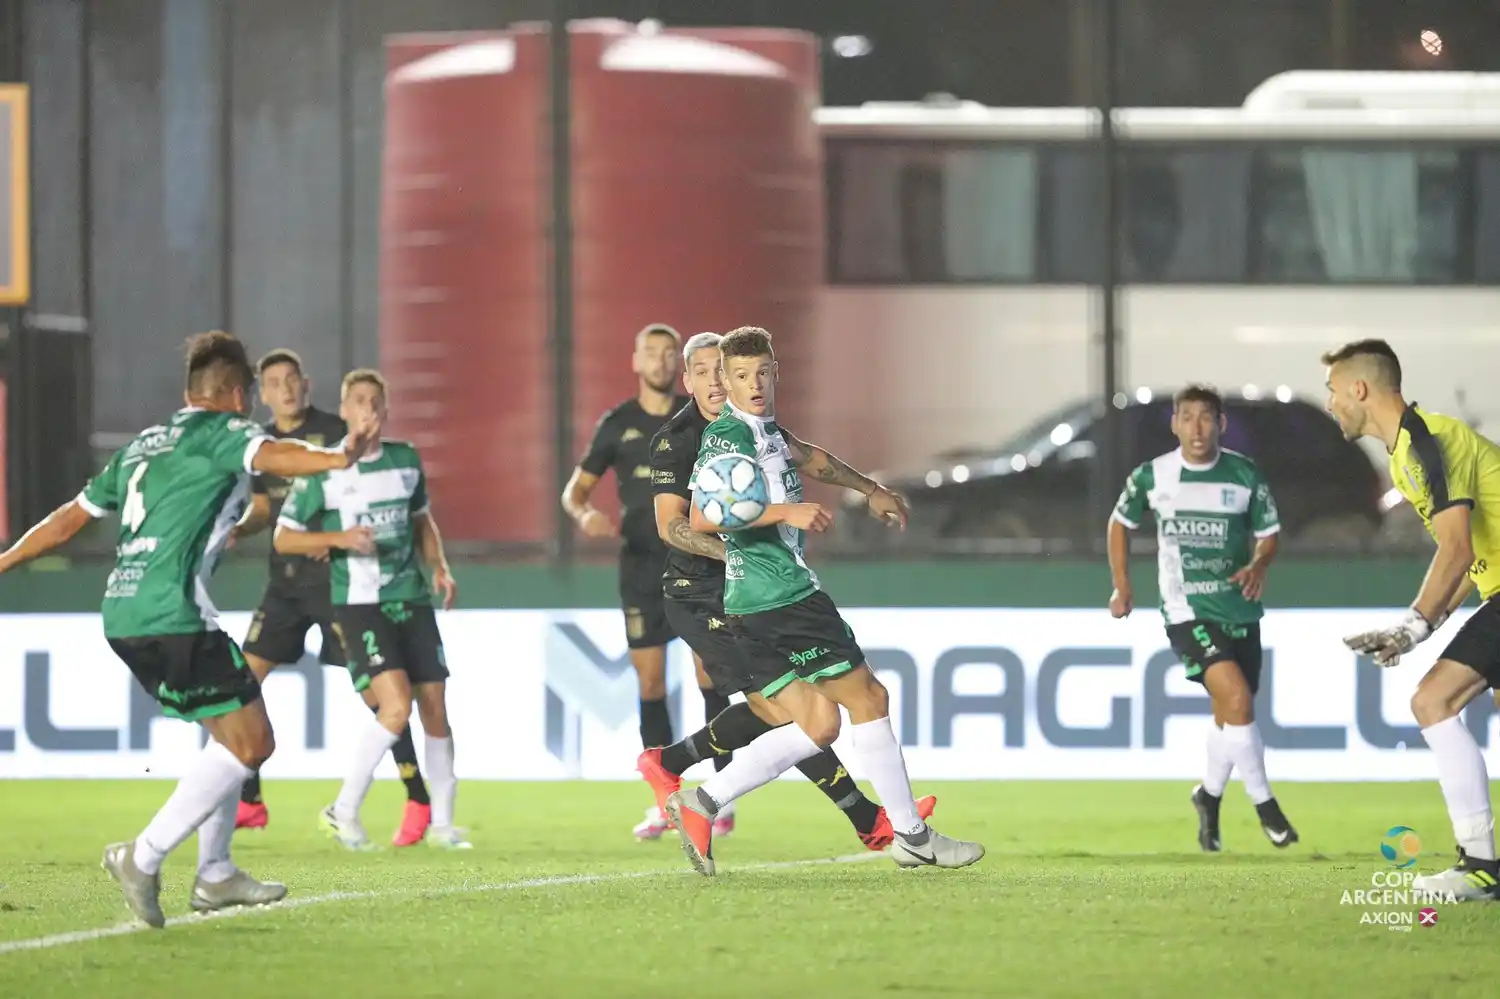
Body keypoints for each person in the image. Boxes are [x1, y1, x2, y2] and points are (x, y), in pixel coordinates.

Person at [0, 331, 378, 928]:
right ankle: (142, 857)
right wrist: (337, 457)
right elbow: (276, 456)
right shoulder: (222, 432)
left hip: (123, 611)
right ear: (237, 395)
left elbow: (69, 519)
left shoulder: (142, 446)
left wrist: (3, 561)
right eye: (249, 395)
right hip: (172, 612)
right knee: (252, 744)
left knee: (225, 732)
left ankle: (215, 873)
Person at [668, 326, 984, 876]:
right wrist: (783, 513)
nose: (753, 384)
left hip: (753, 604)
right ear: (726, 382)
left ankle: (703, 800)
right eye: (740, 376)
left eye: (761, 372)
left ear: (776, 372)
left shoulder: (766, 433)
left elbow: (812, 459)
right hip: (781, 597)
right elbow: (701, 515)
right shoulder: (728, 437)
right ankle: (912, 836)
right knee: (869, 698)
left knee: (818, 725)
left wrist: (870, 489)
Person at [227, 348, 432, 846]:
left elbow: (355, 492)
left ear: (307, 384)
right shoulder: (261, 445)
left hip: (338, 584)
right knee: (241, 682)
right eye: (274, 382)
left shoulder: (336, 434)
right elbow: (264, 508)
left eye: (292, 379)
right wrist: (239, 528)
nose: (286, 389)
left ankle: (416, 794)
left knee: (379, 698)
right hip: (285, 585)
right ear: (263, 393)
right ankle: (249, 798)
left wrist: (328, 538)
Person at [1324, 339, 1500, 900]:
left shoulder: (1427, 444)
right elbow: (1469, 559)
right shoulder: (1408, 451)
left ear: (1359, 389)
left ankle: (1480, 867)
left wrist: (1415, 625)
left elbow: (1455, 549)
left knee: (1432, 701)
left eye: (1333, 391)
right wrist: (1421, 626)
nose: (1330, 404)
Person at [273, 369, 466, 851]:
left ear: (386, 409)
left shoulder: (405, 460)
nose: (368, 408)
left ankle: (443, 827)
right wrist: (338, 538)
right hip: (360, 604)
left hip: (411, 597)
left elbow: (421, 520)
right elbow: (284, 537)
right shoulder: (326, 470)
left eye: (376, 400)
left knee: (435, 707)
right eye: (358, 400)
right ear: (344, 410)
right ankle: (342, 810)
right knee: (395, 708)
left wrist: (439, 567)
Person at [1106, 384, 1298, 853]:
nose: (1197, 427)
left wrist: (1258, 564)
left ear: (1221, 424)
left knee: (1230, 714)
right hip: (1186, 610)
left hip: (1240, 608)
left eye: (1206, 417)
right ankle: (1267, 807)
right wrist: (1122, 585)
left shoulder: (1244, 474)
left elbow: (1269, 534)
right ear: (1174, 424)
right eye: (1187, 417)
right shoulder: (1154, 476)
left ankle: (1208, 797)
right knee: (1238, 699)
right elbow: (1119, 523)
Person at [561, 322, 724, 840]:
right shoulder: (619, 425)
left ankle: (723, 795)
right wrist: (584, 514)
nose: (659, 361)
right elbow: (575, 492)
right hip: (640, 570)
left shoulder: (696, 419)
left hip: (697, 563)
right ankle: (665, 801)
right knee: (650, 682)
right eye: (650, 352)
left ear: (679, 364)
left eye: (668, 353)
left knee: (711, 675)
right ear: (635, 361)